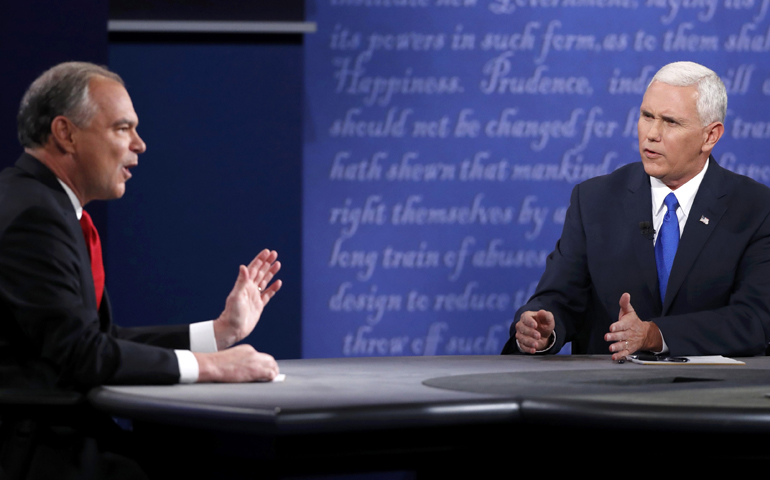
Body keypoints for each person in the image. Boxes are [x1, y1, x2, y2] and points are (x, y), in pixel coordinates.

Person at [0, 61, 283, 390]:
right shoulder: (33, 218)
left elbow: (100, 340)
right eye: (122, 128)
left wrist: (220, 332)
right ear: (66, 134)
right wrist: (212, 366)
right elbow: (80, 354)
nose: (139, 144)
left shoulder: (42, 202)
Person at [502, 61, 770, 360]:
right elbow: (559, 298)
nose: (652, 134)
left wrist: (656, 335)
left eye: (670, 122)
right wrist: (542, 329)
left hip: (710, 397)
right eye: (646, 116)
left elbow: (755, 321)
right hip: (608, 396)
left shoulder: (755, 209)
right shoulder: (594, 200)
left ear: (710, 136)